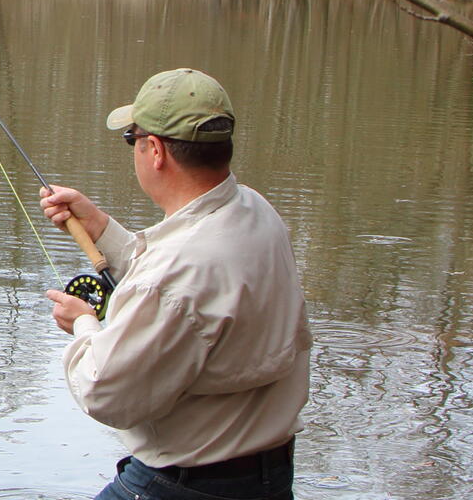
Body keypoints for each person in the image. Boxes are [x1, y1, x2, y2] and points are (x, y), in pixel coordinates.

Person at [39, 68, 310, 500]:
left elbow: (105, 392)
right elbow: (187, 291)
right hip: (268, 480)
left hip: (182, 486)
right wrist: (101, 227)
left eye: (133, 139)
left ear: (156, 150)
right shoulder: (256, 212)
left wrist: (84, 325)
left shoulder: (179, 271)